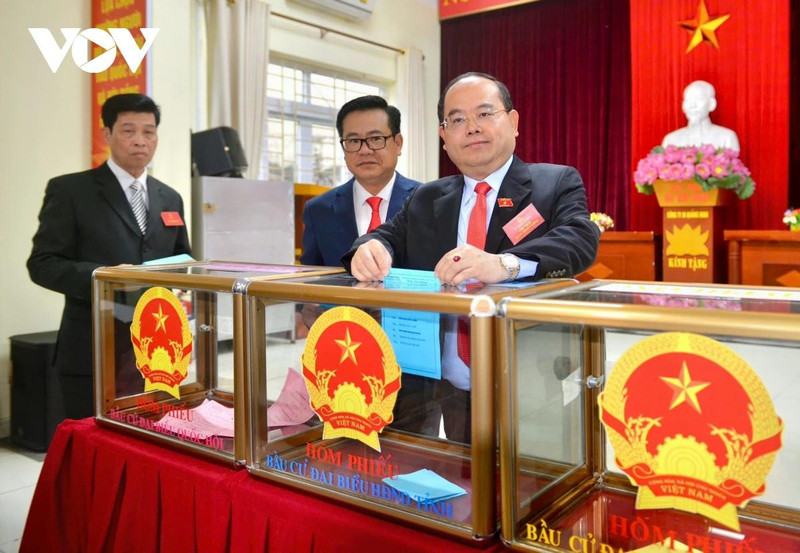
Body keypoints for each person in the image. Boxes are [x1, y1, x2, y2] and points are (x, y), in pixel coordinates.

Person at [343, 72, 600, 442]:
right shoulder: (428, 198)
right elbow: (386, 237)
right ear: (444, 137)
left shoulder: (554, 183)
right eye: (458, 120)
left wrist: (504, 264)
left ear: (512, 123)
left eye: (484, 114)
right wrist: (370, 248)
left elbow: (579, 239)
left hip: (525, 379)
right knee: (466, 483)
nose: (472, 128)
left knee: (527, 486)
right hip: (449, 386)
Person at [27, 93, 192, 420]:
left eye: (149, 132)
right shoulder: (71, 191)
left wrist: (186, 277)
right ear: (107, 135)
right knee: (92, 447)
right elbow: (42, 263)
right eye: (128, 131)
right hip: (93, 345)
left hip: (156, 349)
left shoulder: (169, 196)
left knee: (149, 443)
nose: (140, 141)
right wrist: (105, 276)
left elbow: (181, 257)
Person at [300, 95, 420, 266]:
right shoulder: (319, 210)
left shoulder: (426, 203)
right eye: (354, 141)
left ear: (398, 143)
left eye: (376, 139)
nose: (365, 150)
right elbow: (311, 278)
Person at [662, 80, 740, 151]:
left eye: (698, 99)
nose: (692, 105)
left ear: (712, 104)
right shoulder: (670, 140)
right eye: (688, 100)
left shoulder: (726, 137)